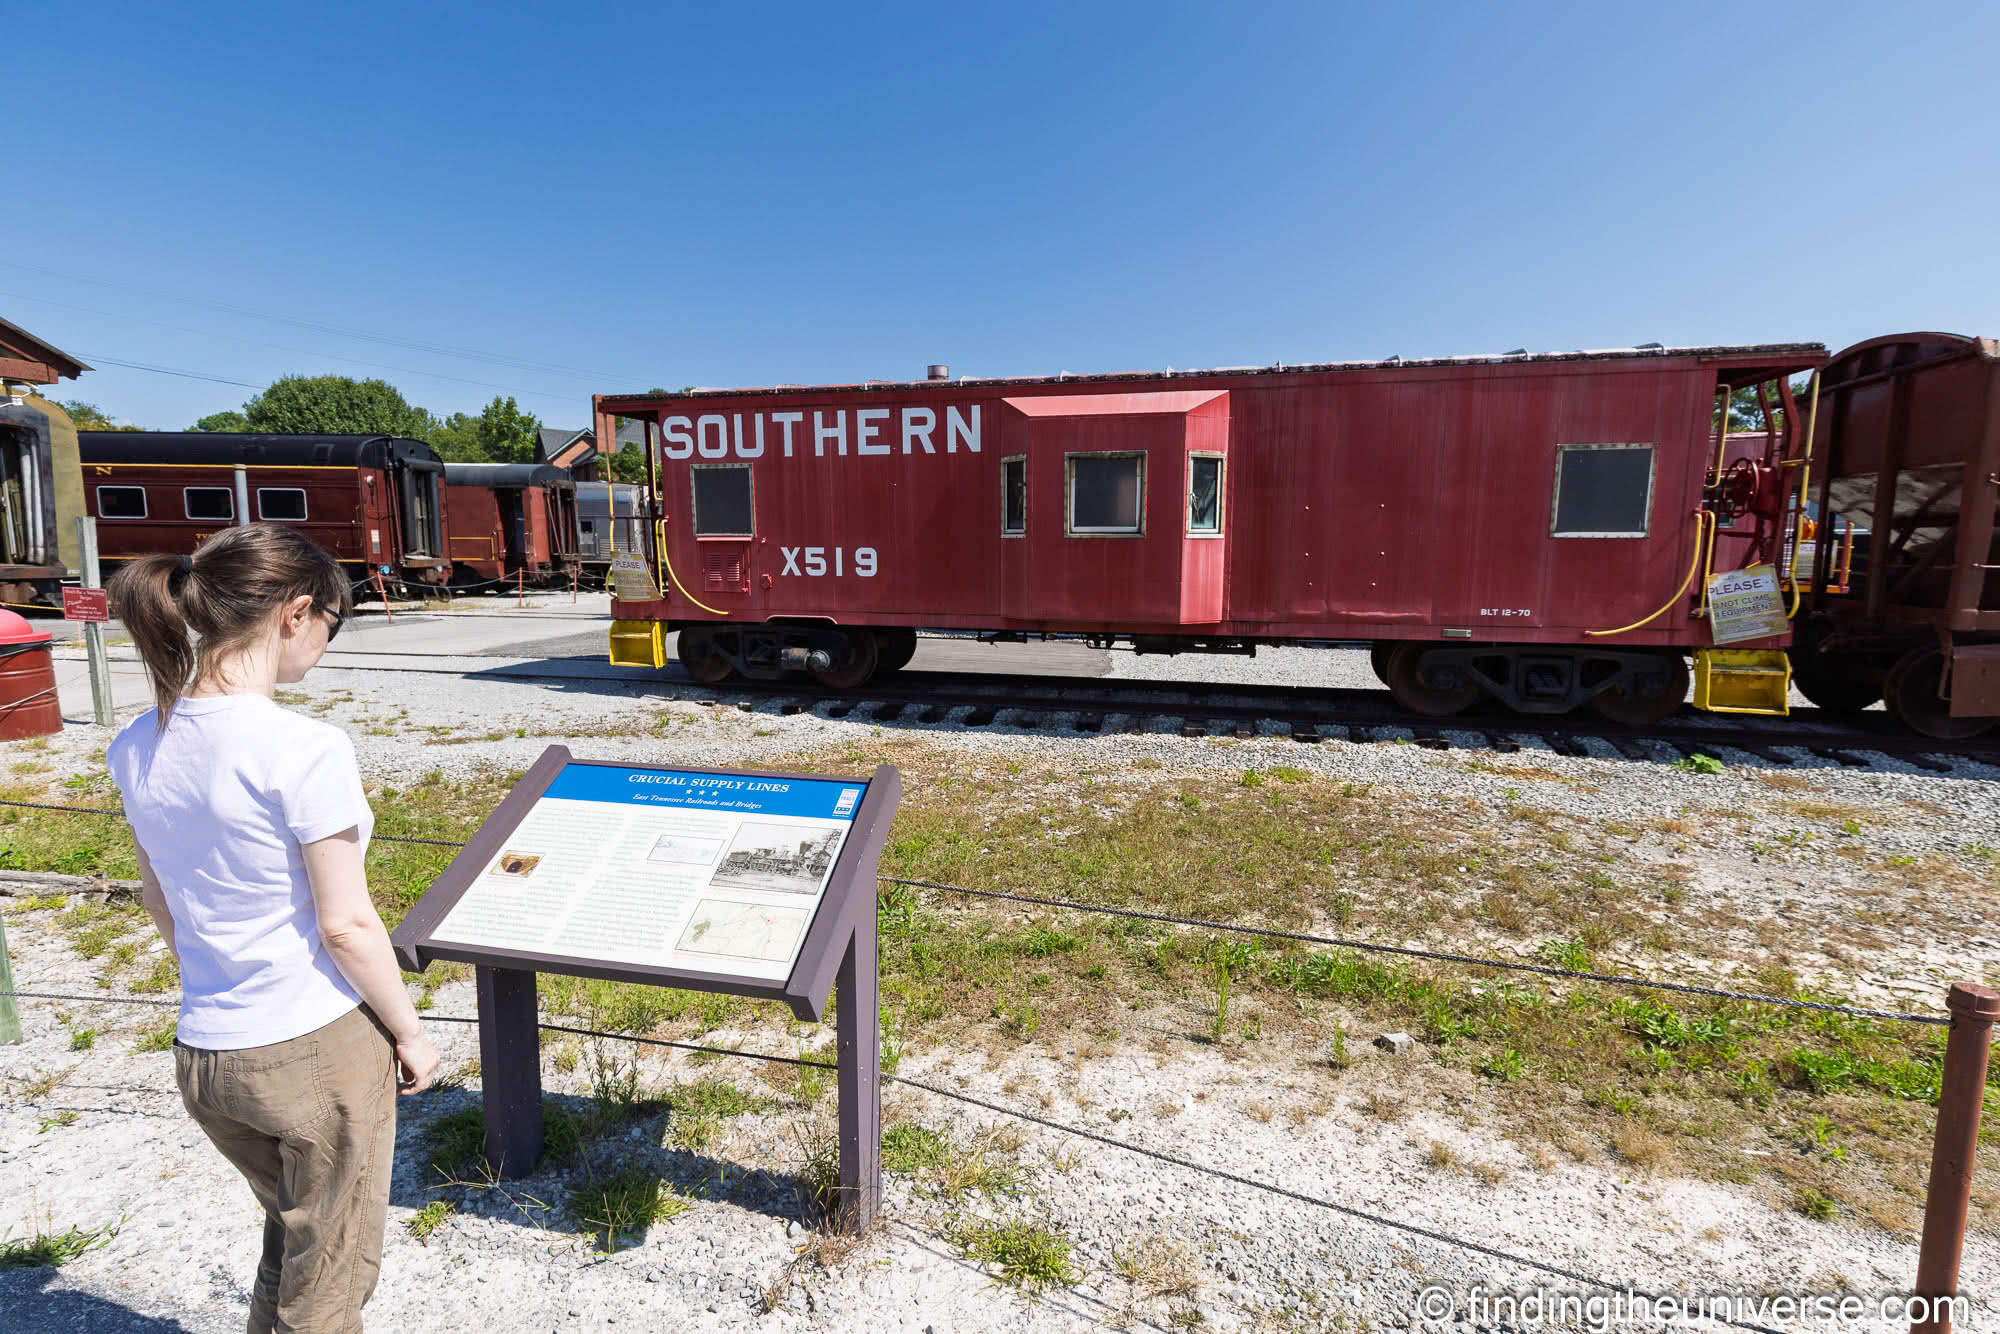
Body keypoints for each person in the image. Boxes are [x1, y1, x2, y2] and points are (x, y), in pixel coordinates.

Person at [105, 525, 439, 1334]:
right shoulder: (305, 748)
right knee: (329, 1280)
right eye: (333, 620)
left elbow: (160, 899)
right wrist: (411, 1032)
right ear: (296, 613)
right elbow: (349, 925)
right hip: (311, 1047)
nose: (326, 640)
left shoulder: (136, 742)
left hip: (208, 1055)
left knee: (294, 1245)